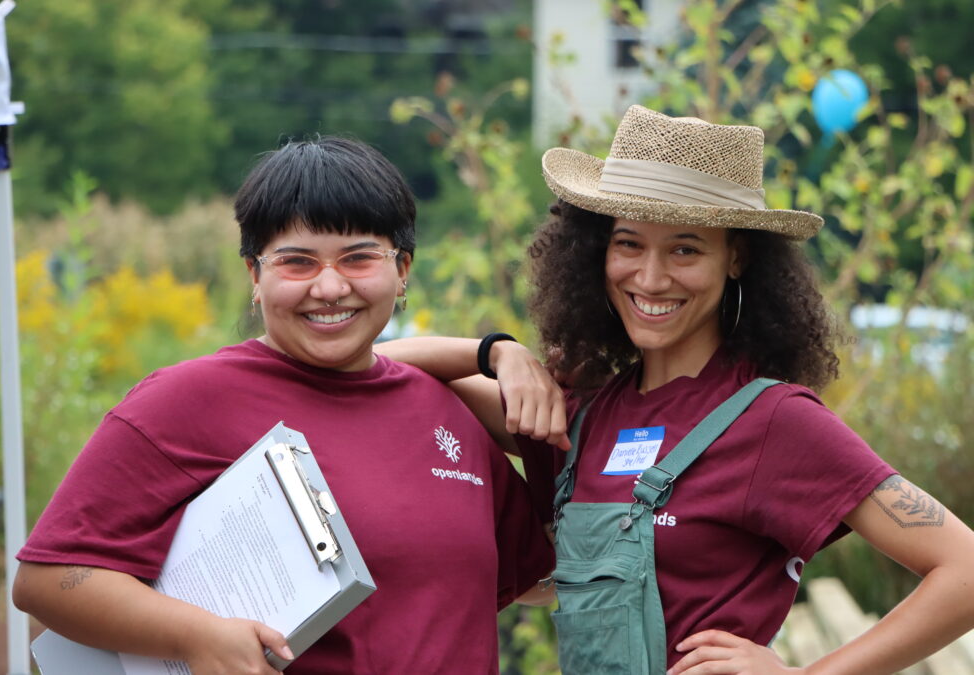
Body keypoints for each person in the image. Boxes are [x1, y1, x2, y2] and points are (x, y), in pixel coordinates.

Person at [376, 105, 974, 674]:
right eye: (628, 243)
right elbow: (378, 371)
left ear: (736, 258)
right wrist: (497, 351)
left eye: (685, 248)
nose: (651, 277)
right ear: (595, 249)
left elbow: (964, 569)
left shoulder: (774, 422)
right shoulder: (579, 415)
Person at [12, 136, 554, 675]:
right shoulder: (189, 400)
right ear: (255, 276)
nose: (330, 287)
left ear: (403, 269)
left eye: (359, 257)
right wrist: (197, 636)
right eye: (297, 262)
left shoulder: (442, 409)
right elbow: (49, 580)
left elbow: (531, 579)